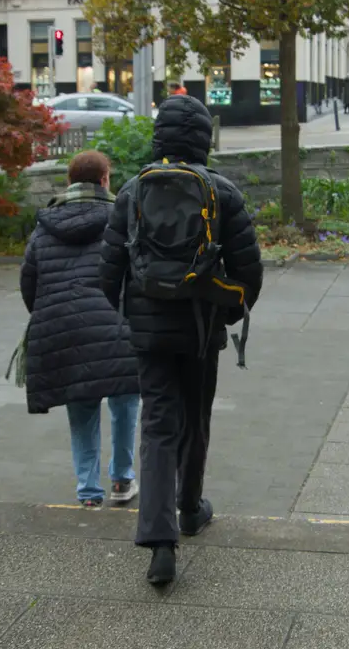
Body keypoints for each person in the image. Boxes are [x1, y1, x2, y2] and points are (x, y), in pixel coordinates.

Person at [100, 95, 263, 585]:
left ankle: (159, 542)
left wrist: (134, 315)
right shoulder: (222, 192)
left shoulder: (131, 192)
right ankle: (190, 509)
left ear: (160, 138)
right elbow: (249, 273)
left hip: (149, 336)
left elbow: (108, 277)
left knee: (157, 426)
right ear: (203, 140)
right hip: (199, 330)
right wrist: (225, 311)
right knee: (195, 419)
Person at [20, 150, 142, 509]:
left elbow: (30, 283)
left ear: (69, 182)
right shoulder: (123, 219)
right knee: (125, 401)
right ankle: (122, 480)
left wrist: (52, 316)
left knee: (82, 408)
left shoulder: (44, 227)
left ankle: (88, 492)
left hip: (66, 330)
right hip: (118, 327)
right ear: (105, 180)